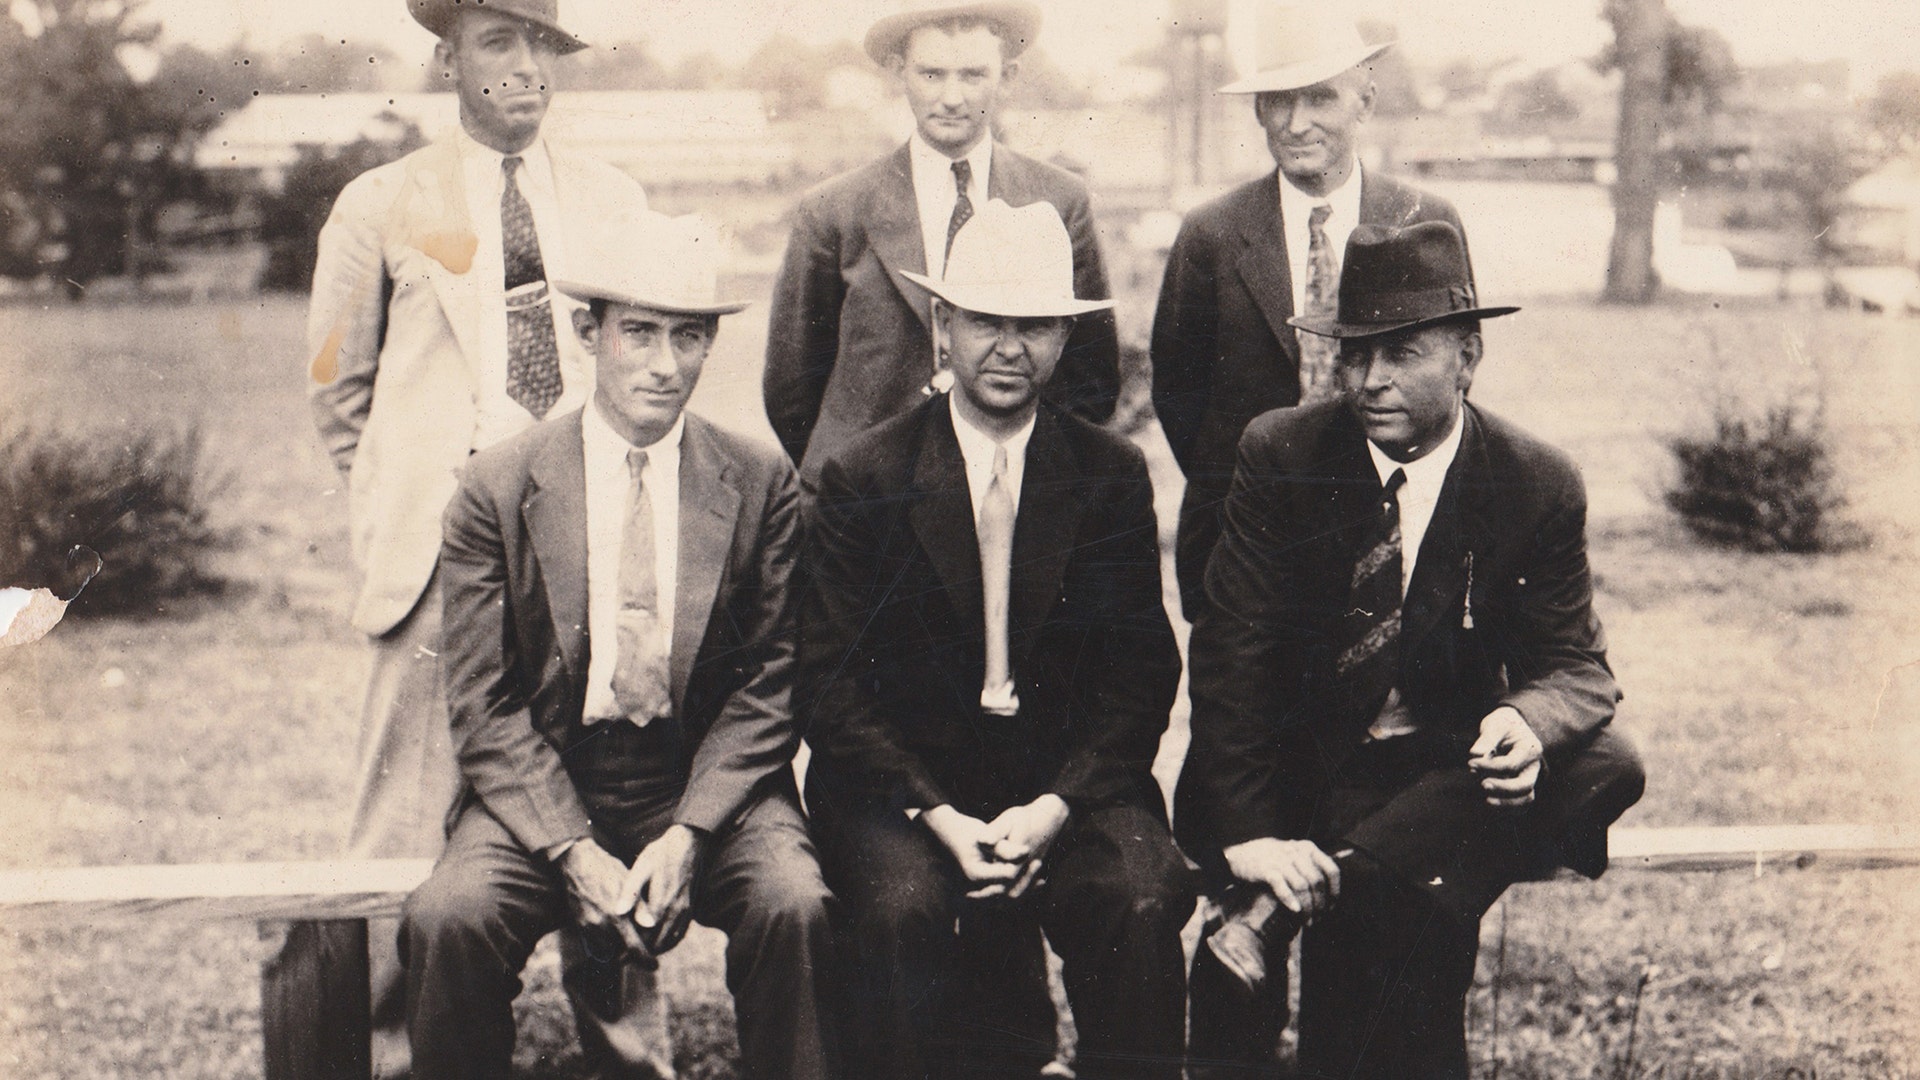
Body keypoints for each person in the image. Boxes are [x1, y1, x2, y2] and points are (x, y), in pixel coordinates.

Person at [1175, 221, 1645, 1079]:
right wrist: (1246, 835)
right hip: (1305, 769)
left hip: (1443, 772)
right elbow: (1230, 652)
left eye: (1401, 352)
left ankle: (1293, 908)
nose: (1369, 380)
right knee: (1405, 948)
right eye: (1352, 355)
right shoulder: (1281, 453)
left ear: (1469, 355)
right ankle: (1343, 891)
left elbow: (1576, 667)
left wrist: (1526, 723)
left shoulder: (1533, 479)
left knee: (1611, 758)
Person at [302, 1, 660, 1072]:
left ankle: (627, 1050)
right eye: (498, 43)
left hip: (585, 553)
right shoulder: (380, 203)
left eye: (541, 45)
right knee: (403, 826)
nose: (524, 69)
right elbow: (340, 398)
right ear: (448, 56)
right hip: (433, 562)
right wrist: (432, 510)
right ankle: (392, 1053)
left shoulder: (610, 201)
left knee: (610, 799)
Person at [400, 208, 837, 1080]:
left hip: (707, 781)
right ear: (587, 332)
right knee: (450, 917)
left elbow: (773, 681)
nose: (664, 364)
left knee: (796, 906)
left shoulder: (758, 480)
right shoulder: (498, 485)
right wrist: (572, 849)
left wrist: (689, 836)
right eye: (638, 332)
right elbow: (481, 703)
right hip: (553, 780)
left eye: (688, 336)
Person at [801, 199, 1193, 1080]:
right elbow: (829, 681)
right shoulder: (866, 474)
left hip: (1061, 782)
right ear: (943, 326)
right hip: (910, 786)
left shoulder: (1108, 474)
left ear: (1064, 340)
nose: (1009, 347)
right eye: (985, 320)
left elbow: (1140, 673)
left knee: (1141, 893)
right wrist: (938, 816)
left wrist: (1054, 810)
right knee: (898, 906)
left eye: (1036, 326)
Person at [1149, 2, 1469, 617]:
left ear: (1365, 102)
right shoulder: (1211, 235)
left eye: (1320, 98)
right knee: (1250, 708)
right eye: (1277, 101)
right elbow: (1178, 392)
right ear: (1258, 110)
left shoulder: (1425, 220)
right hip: (1246, 543)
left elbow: (1452, 373)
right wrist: (1256, 489)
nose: (1296, 124)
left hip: (1392, 525)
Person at [764, 0, 1119, 488]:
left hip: (1009, 491)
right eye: (931, 75)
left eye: (974, 75)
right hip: (870, 508)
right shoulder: (834, 210)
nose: (951, 97)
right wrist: (849, 480)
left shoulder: (1059, 199)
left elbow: (1091, 373)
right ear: (898, 73)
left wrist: (1032, 482)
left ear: (1008, 77)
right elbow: (792, 387)